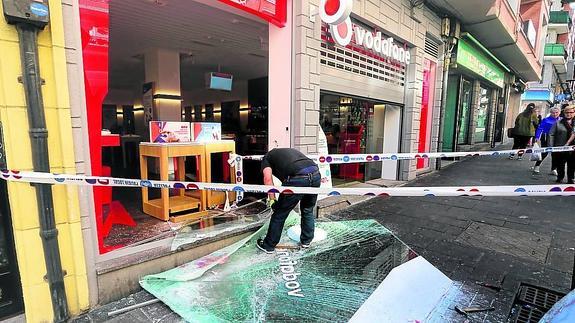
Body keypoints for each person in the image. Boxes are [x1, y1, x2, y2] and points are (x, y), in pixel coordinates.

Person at [256, 148, 321, 253]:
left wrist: (272, 199)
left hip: (297, 178)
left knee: (279, 214)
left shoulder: (266, 158)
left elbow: (268, 179)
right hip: (315, 174)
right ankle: (306, 241)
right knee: (307, 209)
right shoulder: (284, 153)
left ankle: (268, 245)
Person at [550, 105, 575, 183]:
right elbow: (551, 134)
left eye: (571, 112)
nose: (569, 114)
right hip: (560, 147)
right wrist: (551, 147)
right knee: (560, 164)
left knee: (572, 164)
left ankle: (570, 179)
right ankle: (560, 177)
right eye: (567, 112)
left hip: (573, 148)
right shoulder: (558, 123)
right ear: (564, 113)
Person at [532, 107, 561, 175]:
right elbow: (540, 128)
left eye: (556, 112)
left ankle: (553, 169)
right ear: (550, 113)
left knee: (555, 154)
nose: (555, 114)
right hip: (545, 137)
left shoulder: (561, 120)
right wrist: (537, 136)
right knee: (544, 152)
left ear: (559, 113)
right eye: (553, 112)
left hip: (557, 138)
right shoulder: (546, 120)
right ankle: (537, 166)